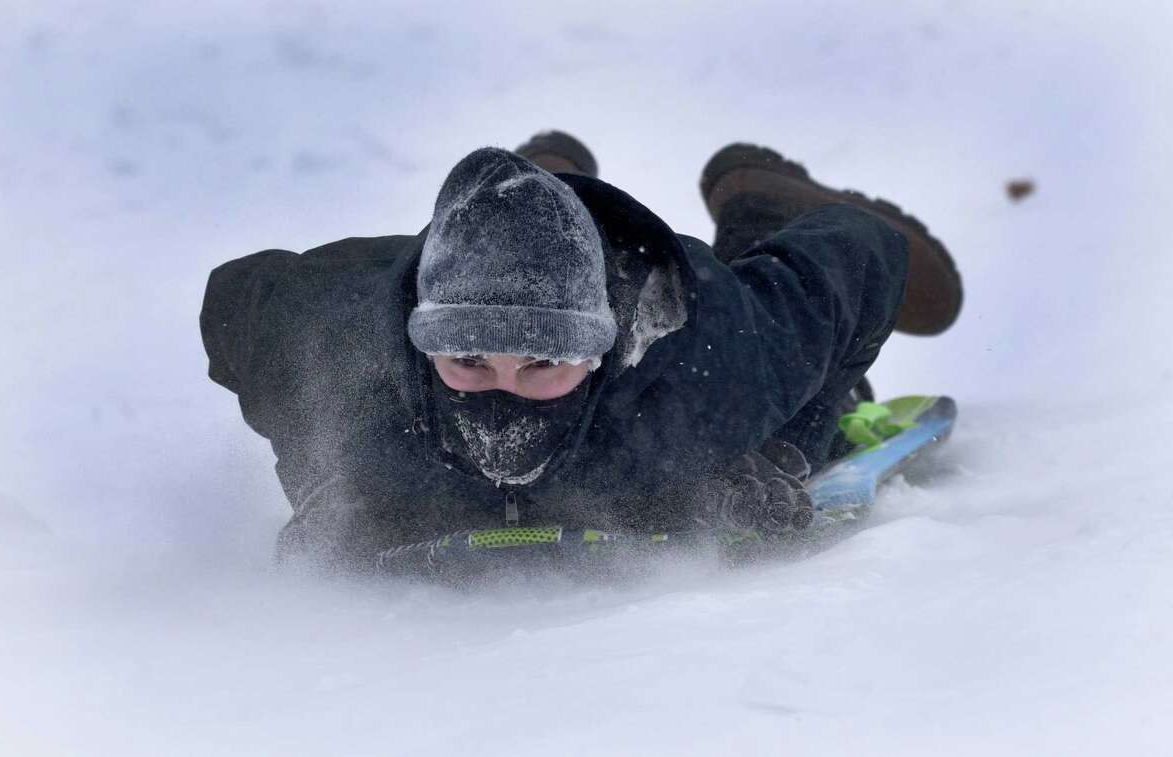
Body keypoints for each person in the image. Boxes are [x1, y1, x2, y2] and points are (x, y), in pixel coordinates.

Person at [200, 131, 961, 570]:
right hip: (435, 271)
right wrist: (321, 469)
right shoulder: (339, 347)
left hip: (669, 288)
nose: (499, 405)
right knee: (508, 244)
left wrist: (786, 436)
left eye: (542, 368)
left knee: (780, 363)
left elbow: (866, 253)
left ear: (597, 356)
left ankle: (754, 195)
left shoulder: (714, 361)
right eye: (468, 364)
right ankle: (540, 177)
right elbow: (235, 302)